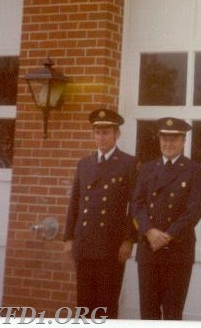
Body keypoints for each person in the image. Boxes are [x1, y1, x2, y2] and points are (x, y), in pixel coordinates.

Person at [64, 108, 137, 319]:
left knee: (106, 304)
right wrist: (69, 237)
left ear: (117, 135)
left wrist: (129, 240)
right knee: (84, 303)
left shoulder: (128, 163)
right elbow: (75, 203)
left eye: (106, 132)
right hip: (85, 242)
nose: (101, 137)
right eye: (97, 132)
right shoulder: (84, 164)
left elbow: (135, 206)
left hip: (111, 246)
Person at [131, 117, 201, 320]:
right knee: (148, 312)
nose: (168, 143)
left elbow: (194, 210)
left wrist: (167, 235)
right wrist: (150, 231)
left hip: (177, 251)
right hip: (149, 249)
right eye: (164, 138)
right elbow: (136, 205)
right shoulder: (146, 168)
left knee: (173, 313)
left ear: (183, 141)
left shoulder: (194, 170)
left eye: (174, 139)